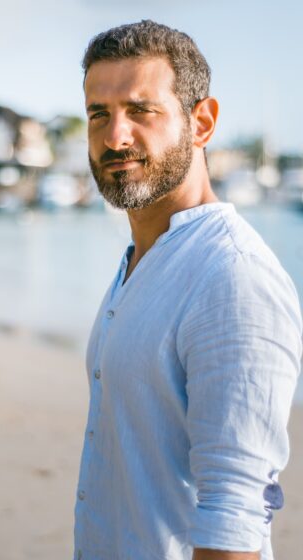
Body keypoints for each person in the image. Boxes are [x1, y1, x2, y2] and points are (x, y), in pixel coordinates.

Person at [73, 20, 302, 560]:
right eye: (98, 114)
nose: (115, 136)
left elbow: (236, 517)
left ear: (201, 122)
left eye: (141, 110)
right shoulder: (142, 260)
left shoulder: (232, 277)